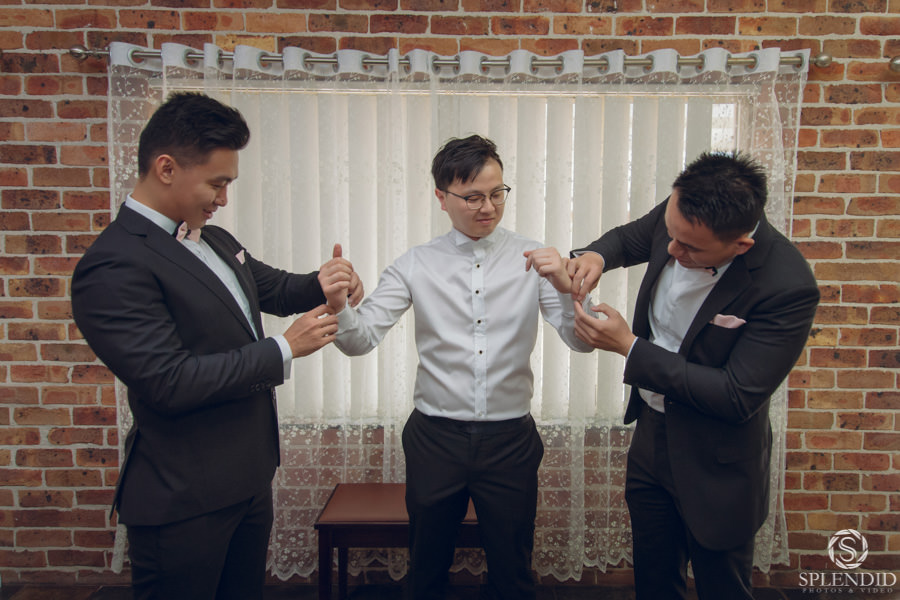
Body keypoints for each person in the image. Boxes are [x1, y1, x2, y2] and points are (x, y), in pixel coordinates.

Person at [71, 92, 361, 600]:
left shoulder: (216, 239)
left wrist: (326, 281)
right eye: (217, 183)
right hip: (182, 499)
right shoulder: (113, 264)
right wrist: (283, 349)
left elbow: (274, 289)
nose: (223, 199)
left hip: (247, 481)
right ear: (166, 168)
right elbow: (170, 381)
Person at [323, 135, 592, 600]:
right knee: (426, 567)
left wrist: (570, 291)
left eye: (497, 193)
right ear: (442, 197)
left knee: (513, 570)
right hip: (435, 438)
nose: (488, 207)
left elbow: (581, 342)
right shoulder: (414, 264)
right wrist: (338, 306)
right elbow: (359, 341)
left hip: (510, 440)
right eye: (472, 197)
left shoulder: (537, 260)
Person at [566, 151, 820, 600]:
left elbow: (736, 395)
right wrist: (597, 255)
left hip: (718, 462)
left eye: (689, 248)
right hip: (652, 439)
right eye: (671, 233)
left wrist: (629, 346)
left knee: (723, 588)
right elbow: (628, 238)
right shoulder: (681, 215)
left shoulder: (787, 286)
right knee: (654, 582)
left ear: (741, 245)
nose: (670, 249)